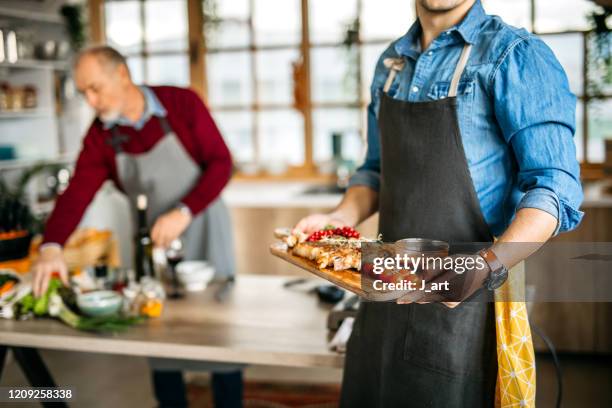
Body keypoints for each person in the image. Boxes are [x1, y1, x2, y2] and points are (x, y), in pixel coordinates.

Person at [294, 0, 583, 406]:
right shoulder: (391, 63)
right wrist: (338, 218)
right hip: (382, 296)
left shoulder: (514, 56)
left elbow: (555, 190)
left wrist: (482, 268)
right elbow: (376, 170)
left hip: (461, 314)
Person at [31, 45, 242, 408]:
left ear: (123, 75)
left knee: (220, 334)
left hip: (204, 225)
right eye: (84, 93)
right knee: (158, 336)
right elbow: (77, 192)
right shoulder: (101, 136)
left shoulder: (181, 104)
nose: (91, 101)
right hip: (152, 242)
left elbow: (222, 163)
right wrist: (51, 246)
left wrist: (183, 211)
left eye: (95, 88)